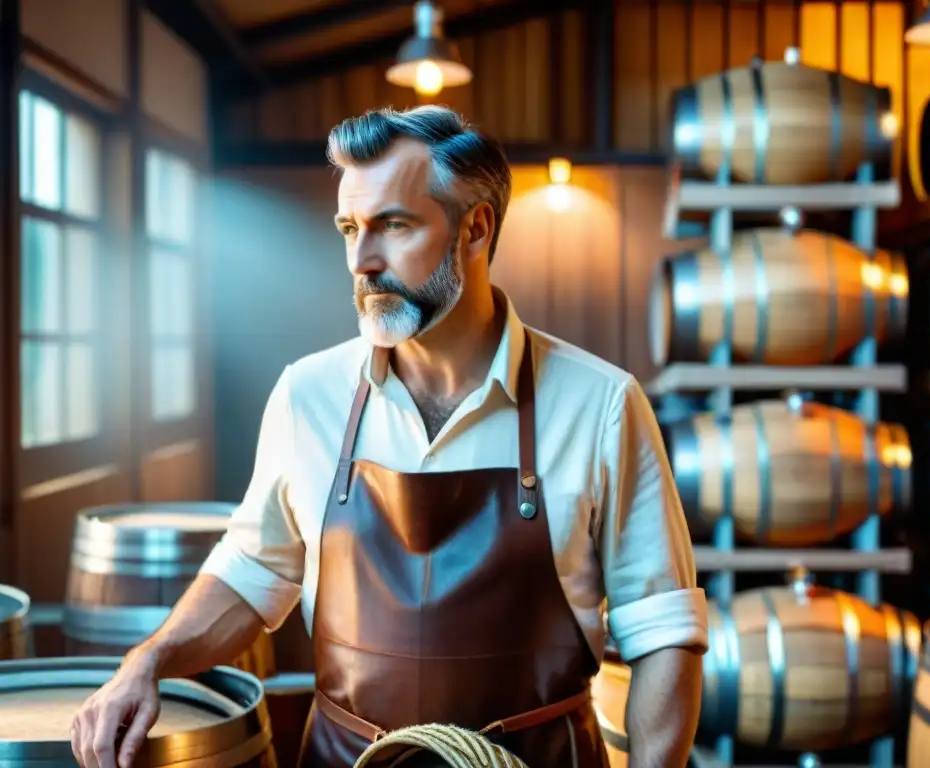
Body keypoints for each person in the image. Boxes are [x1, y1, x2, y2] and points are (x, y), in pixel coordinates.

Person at [69, 105, 708, 768]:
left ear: (475, 229)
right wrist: (148, 661)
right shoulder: (306, 396)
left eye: (393, 226)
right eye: (349, 228)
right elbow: (253, 572)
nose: (361, 260)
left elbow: (663, 633)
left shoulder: (601, 404)